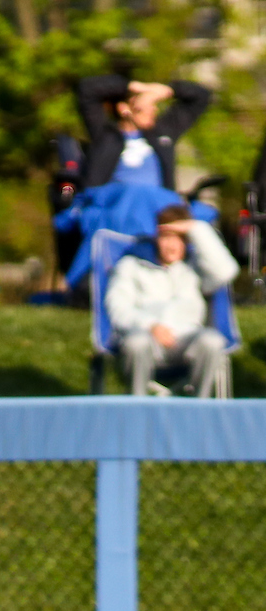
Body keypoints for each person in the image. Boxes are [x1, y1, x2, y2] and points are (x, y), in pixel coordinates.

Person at [105, 204, 238, 396]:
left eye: (179, 238)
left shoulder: (196, 269)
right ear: (156, 238)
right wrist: (150, 325)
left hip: (187, 341)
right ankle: (137, 405)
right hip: (146, 338)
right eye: (166, 237)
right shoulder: (130, 266)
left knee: (212, 341)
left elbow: (227, 271)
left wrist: (196, 229)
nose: (172, 245)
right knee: (136, 343)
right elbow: (118, 308)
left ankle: (200, 408)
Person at [77, 75, 211, 189]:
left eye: (154, 104)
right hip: (114, 210)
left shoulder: (163, 133)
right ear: (124, 108)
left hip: (157, 211)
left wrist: (166, 91)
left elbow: (201, 96)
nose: (154, 109)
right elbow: (88, 89)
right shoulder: (106, 135)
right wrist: (138, 87)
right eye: (146, 105)